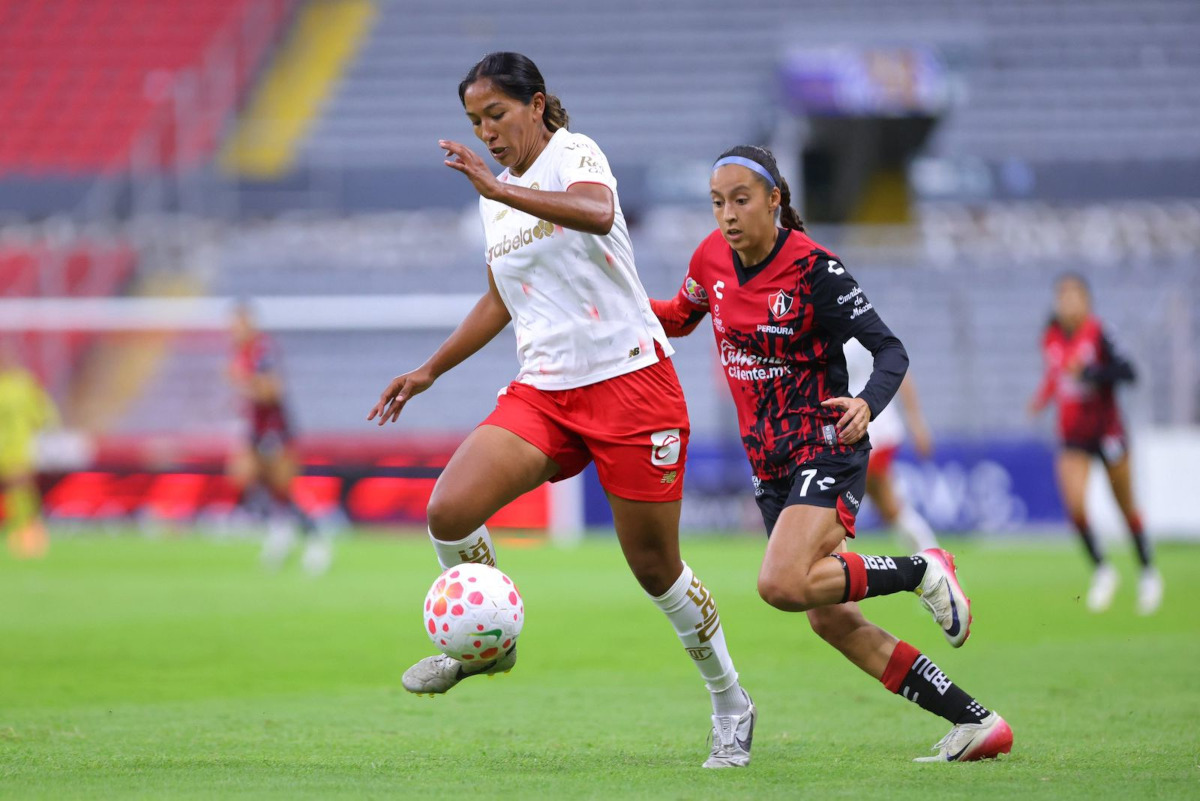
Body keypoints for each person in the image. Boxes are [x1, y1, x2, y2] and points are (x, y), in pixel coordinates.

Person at [368, 52, 755, 768]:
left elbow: (596, 211)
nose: (486, 131)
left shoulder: (574, 154)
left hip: (632, 385)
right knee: (449, 510)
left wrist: (499, 189)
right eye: (475, 120)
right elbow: (498, 298)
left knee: (654, 566)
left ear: (537, 105)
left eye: (496, 114)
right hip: (545, 389)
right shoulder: (495, 193)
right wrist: (429, 368)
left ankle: (730, 700)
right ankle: (492, 644)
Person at [650, 145, 1012, 762]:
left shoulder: (815, 270)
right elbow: (679, 317)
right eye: (718, 203)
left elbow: (891, 351)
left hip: (826, 447)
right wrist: (615, 305)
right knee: (832, 620)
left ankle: (922, 570)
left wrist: (867, 403)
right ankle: (978, 722)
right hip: (770, 467)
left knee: (781, 583)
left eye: (741, 200)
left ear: (775, 200)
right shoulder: (710, 258)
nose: (729, 215)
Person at [1029, 273, 1161, 614]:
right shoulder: (1052, 336)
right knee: (1074, 506)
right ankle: (1103, 570)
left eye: (1074, 296)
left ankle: (1147, 572)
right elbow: (1055, 376)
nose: (1067, 303)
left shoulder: (1100, 332)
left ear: (1087, 301)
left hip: (1107, 431)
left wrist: (1091, 373)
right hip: (1073, 434)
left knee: (1125, 504)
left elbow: (1129, 372)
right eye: (1062, 296)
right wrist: (1041, 400)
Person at [228, 304, 330, 575]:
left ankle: (316, 539)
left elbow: (272, 391)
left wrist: (243, 382)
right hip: (255, 428)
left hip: (273, 428)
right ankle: (281, 530)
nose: (233, 329)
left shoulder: (261, 350)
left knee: (282, 486)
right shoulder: (242, 352)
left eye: (238, 323)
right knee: (253, 479)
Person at [844, 339, 939, 551]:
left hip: (871, 431)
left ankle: (832, 566)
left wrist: (916, 422)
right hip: (856, 430)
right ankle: (933, 561)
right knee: (889, 509)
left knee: (840, 502)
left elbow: (898, 367)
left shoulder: (858, 331)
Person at [0, 340, 57, 559]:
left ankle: (27, 533)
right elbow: (44, 415)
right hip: (17, 446)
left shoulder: (21, 385)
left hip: (13, 447)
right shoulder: (23, 385)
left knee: (17, 489)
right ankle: (28, 532)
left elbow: (43, 414)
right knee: (20, 489)